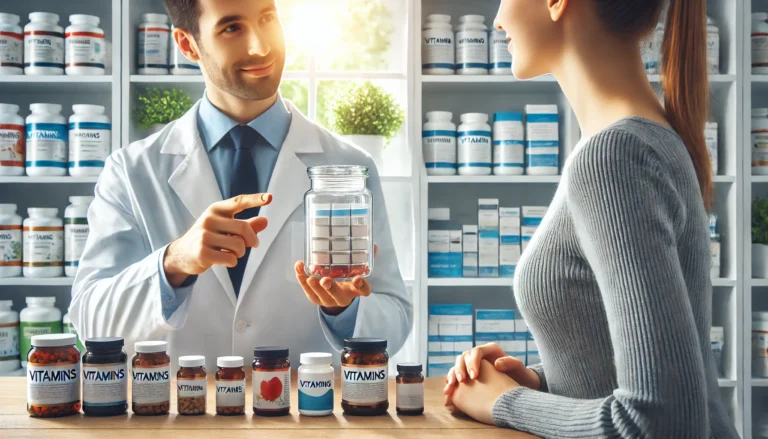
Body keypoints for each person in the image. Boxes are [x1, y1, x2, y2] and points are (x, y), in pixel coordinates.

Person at [444, 1, 739, 438]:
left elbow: (663, 422)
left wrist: (505, 403)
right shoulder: (640, 139)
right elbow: (643, 370)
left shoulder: (614, 157)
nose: (498, 19)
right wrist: (540, 382)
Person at [69, 0, 412, 370]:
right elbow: (91, 322)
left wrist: (344, 308)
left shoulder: (349, 168)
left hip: (302, 418)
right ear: (188, 45)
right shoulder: (131, 172)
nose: (261, 47)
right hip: (183, 417)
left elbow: (394, 322)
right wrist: (175, 261)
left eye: (267, 19)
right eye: (232, 28)